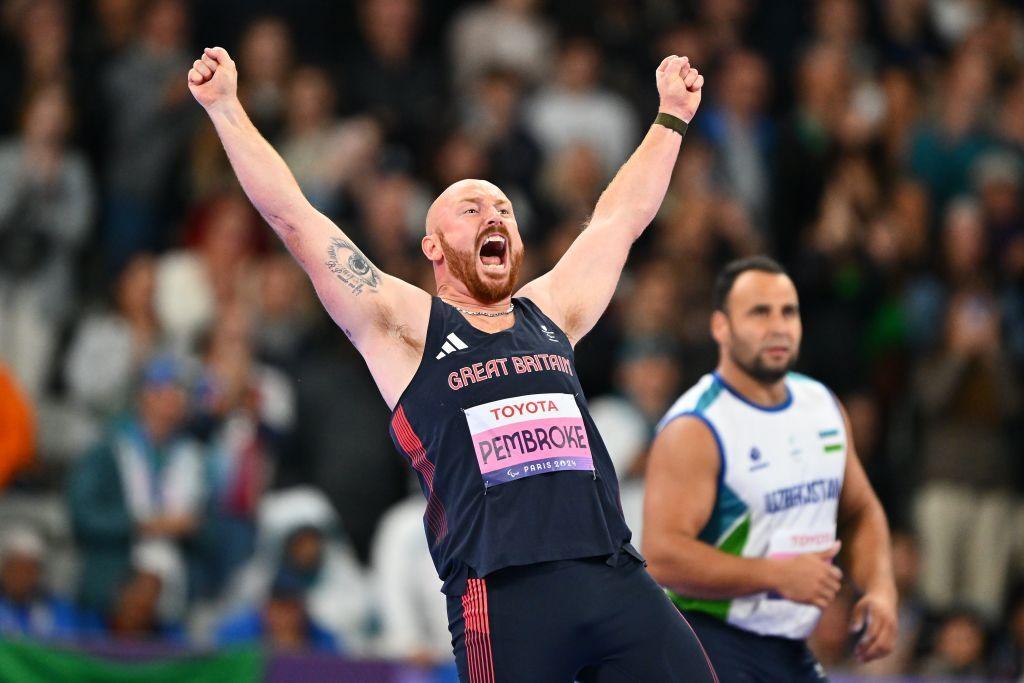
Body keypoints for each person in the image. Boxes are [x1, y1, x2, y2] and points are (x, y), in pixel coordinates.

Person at [189, 46, 715, 682]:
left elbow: (619, 220)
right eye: (472, 208)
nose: (494, 215)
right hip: (503, 595)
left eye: (504, 211)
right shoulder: (405, 328)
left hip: (612, 574)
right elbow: (295, 220)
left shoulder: (549, 312)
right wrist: (225, 109)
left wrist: (671, 118)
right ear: (432, 246)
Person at [643, 256, 898, 681]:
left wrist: (881, 589)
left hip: (788, 644)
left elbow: (860, 510)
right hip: (708, 640)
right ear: (720, 327)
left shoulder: (823, 405)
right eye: (759, 312)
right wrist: (775, 575)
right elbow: (662, 556)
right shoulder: (697, 426)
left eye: (788, 312)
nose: (778, 326)